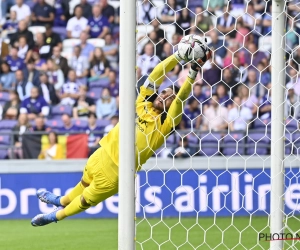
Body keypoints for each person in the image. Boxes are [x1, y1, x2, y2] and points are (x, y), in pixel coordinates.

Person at [31, 46, 211, 227]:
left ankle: (55, 216)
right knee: (84, 183)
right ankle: (61, 200)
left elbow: (181, 100)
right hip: (101, 153)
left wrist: (192, 73)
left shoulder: (164, 126)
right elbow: (157, 73)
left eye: (170, 98)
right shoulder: (142, 103)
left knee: (86, 200)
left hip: (118, 172)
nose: (165, 97)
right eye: (164, 92)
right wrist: (178, 56)